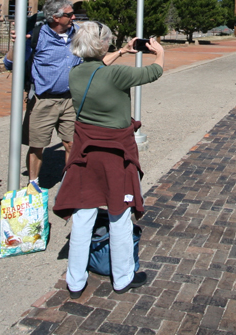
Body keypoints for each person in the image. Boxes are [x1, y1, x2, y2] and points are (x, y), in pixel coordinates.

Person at [53, 23, 164, 296]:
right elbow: (154, 72)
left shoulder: (75, 74)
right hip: (115, 154)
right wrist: (159, 52)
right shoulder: (115, 75)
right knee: (119, 214)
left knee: (83, 214)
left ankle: (75, 281)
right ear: (102, 45)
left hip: (86, 153)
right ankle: (122, 277)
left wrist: (123, 50)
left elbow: (98, 65)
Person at [4, 0, 123, 190]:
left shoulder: (78, 34)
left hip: (71, 100)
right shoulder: (37, 36)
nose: (73, 17)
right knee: (37, 145)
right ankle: (33, 184)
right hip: (43, 100)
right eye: (69, 14)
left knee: (71, 143)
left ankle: (70, 182)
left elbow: (97, 50)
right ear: (55, 18)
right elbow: (10, 64)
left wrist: (121, 50)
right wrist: (17, 44)